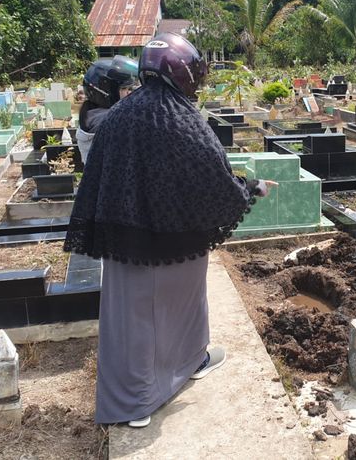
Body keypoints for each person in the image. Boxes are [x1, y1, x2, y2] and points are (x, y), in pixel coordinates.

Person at [64, 33, 275, 428]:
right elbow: (212, 175)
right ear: (181, 73)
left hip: (125, 236)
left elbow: (99, 176)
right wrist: (252, 188)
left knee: (134, 318)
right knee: (184, 307)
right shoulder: (181, 117)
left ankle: (135, 399)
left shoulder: (121, 113)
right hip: (177, 236)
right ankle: (168, 379)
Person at [77, 55, 139, 164]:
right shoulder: (108, 120)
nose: (129, 93)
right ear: (107, 92)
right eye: (124, 89)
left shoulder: (91, 113)